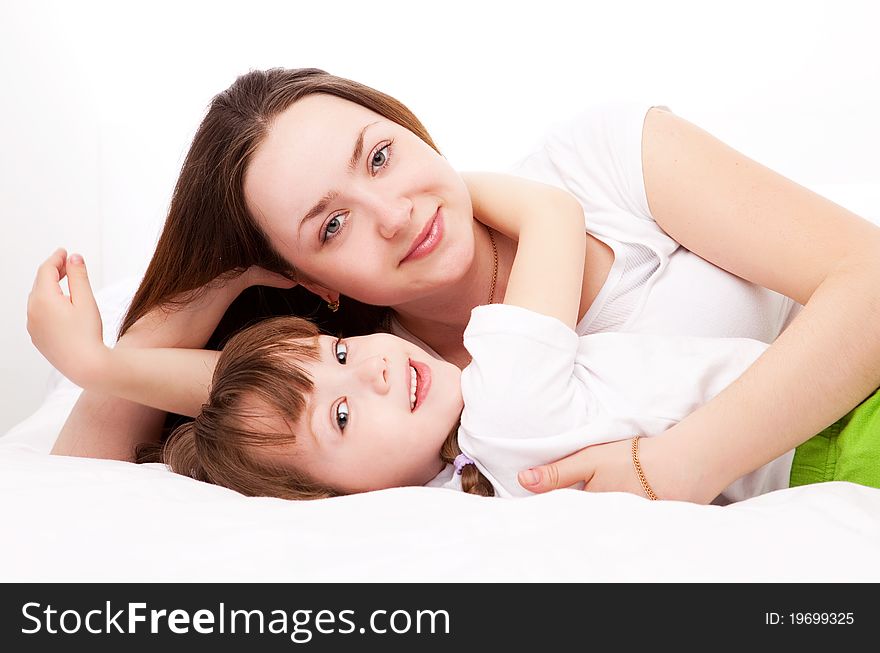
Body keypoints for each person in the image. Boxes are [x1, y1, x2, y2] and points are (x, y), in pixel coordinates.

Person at [47, 67, 880, 504]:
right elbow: (84, 481)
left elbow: (868, 277)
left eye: (379, 156)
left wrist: (677, 467)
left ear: (409, 125)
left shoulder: (595, 162)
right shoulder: (385, 384)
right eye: (331, 225)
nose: (394, 214)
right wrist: (214, 275)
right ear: (311, 283)